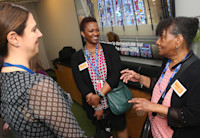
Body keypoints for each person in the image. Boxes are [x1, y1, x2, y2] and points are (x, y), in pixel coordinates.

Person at [0, 3, 86, 137]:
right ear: (14, 38)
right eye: (34, 29)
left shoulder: (4, 79)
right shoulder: (38, 86)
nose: (40, 34)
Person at [120, 17, 200, 138]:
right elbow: (162, 87)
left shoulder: (195, 72)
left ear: (178, 40)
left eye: (162, 37)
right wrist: (140, 78)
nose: (157, 42)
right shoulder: (168, 61)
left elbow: (193, 117)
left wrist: (153, 107)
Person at [71, 17, 129, 138]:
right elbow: (80, 83)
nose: (95, 34)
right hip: (93, 104)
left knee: (121, 126)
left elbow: (115, 75)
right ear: (83, 33)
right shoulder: (77, 57)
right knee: (103, 131)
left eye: (97, 30)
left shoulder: (109, 50)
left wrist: (99, 96)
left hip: (114, 100)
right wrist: (97, 105)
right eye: (91, 31)